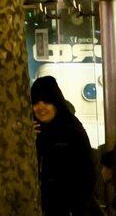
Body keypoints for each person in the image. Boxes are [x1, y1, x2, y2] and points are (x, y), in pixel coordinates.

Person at [31, 74, 100, 216]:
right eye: (36, 102)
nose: (41, 107)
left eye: (47, 101)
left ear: (56, 102)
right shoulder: (33, 132)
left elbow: (87, 174)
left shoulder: (72, 131)